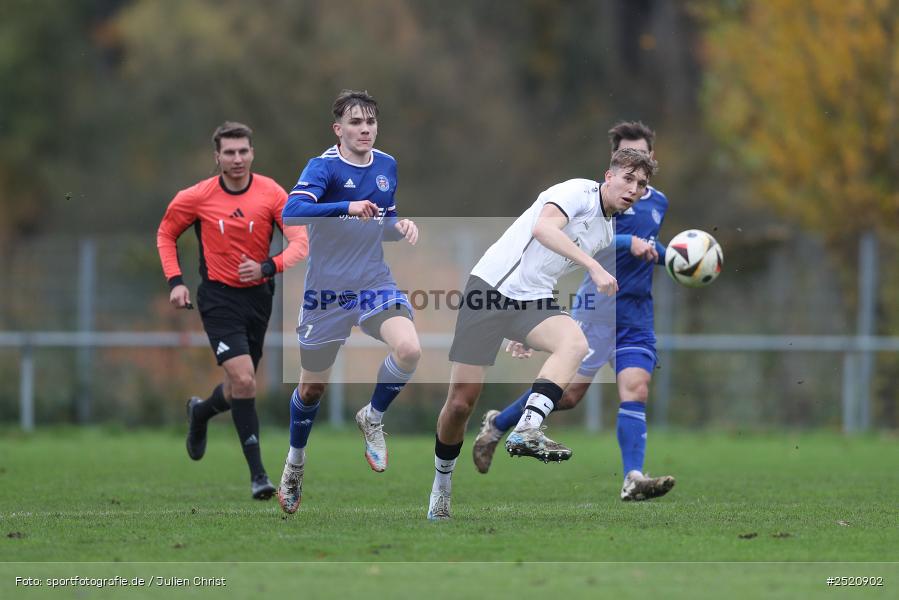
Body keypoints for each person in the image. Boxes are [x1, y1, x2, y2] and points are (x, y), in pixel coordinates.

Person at [426, 147, 658, 520]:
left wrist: (524, 329)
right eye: (627, 178)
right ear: (608, 176)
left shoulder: (605, 228)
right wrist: (594, 269)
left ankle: (527, 428)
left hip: (532, 299)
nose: (633, 188)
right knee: (460, 404)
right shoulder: (577, 192)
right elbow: (543, 229)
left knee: (574, 343)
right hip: (490, 288)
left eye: (642, 184)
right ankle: (441, 485)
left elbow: (549, 267)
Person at [472, 121, 675, 502]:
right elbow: (578, 242)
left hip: (636, 314)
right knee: (566, 396)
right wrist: (627, 242)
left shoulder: (658, 202)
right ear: (613, 165)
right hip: (595, 310)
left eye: (643, 161)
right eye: (628, 164)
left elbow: (651, 247)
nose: (635, 181)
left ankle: (633, 477)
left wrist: (679, 259)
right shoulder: (599, 202)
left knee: (637, 388)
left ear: (652, 159)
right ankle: (498, 424)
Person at [277, 90, 421, 515]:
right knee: (312, 386)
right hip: (326, 292)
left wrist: (401, 226)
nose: (365, 130)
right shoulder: (322, 167)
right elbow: (292, 211)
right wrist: (345, 205)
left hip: (373, 280)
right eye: (355, 123)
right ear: (338, 129)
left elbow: (381, 219)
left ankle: (373, 417)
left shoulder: (387, 165)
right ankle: (295, 463)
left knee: (410, 348)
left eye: (371, 122)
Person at [157, 122, 309, 500]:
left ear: (252, 153)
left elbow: (300, 242)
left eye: (243, 151)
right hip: (218, 298)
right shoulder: (196, 197)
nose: (237, 159)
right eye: (229, 152)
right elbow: (165, 233)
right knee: (244, 381)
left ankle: (201, 412)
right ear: (217, 157)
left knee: (240, 385)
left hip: (258, 298)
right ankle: (259, 475)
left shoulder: (272, 194)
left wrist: (268, 267)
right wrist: (175, 282)